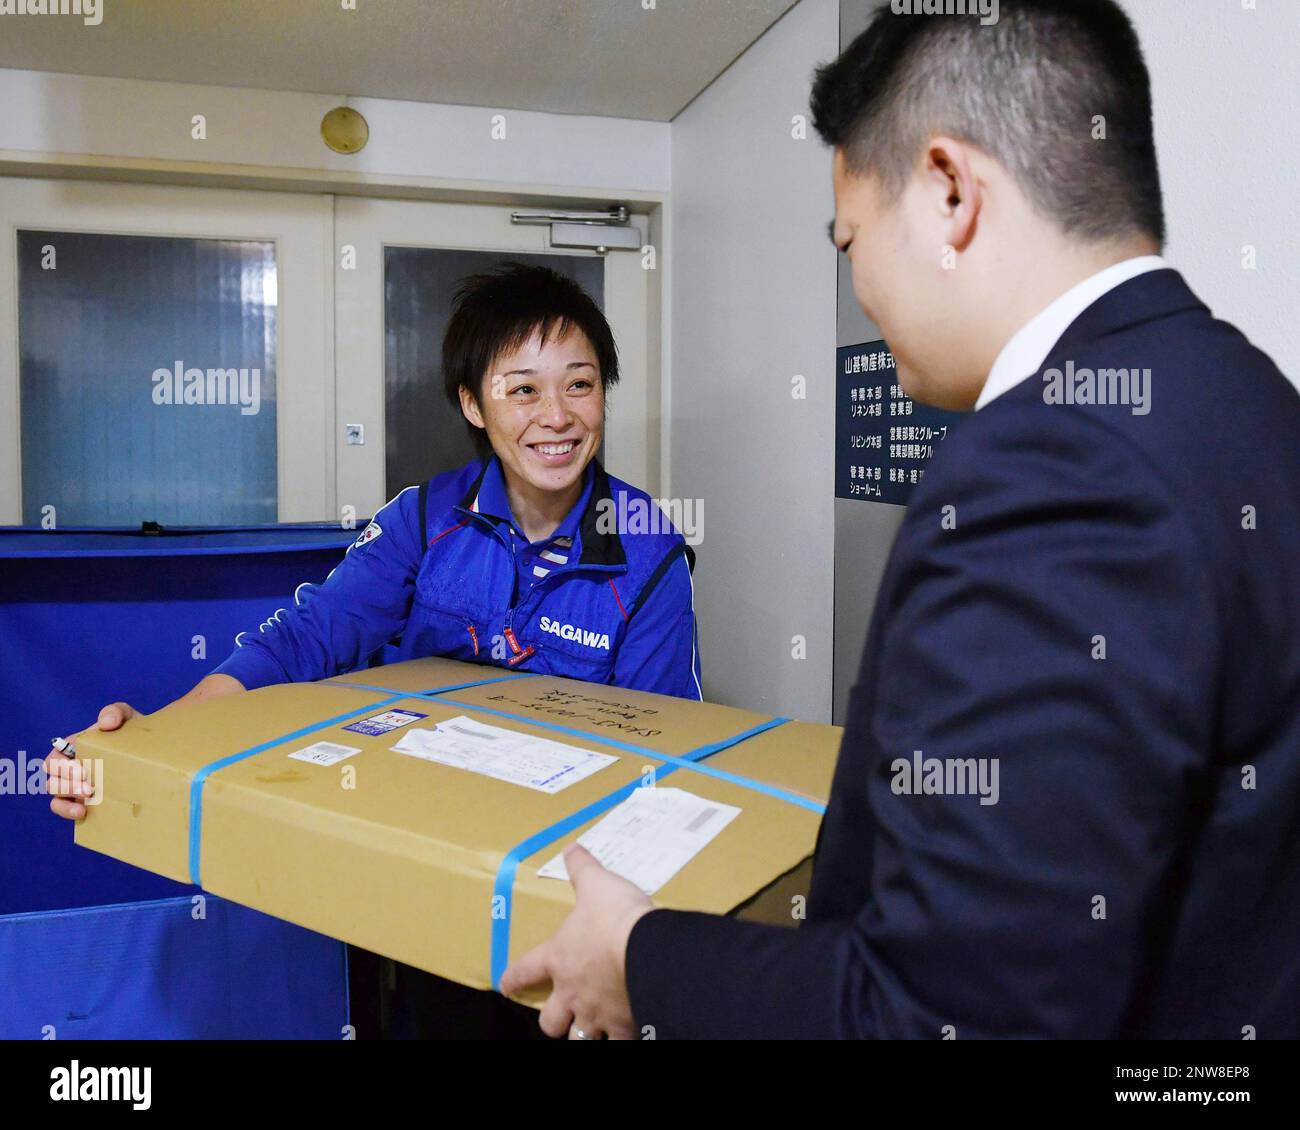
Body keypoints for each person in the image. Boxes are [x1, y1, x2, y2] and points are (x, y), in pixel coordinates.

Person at [502, 0, 1300, 1039]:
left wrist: (638, 956)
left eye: (850, 238)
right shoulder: (1250, 396)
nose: (861, 287)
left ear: (949, 189)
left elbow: (945, 1015)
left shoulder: (1053, 471)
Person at [47, 262, 702, 806]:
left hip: (560, 842)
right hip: (411, 815)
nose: (557, 416)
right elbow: (304, 641)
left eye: (580, 385)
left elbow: (662, 744)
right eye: (523, 390)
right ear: (473, 404)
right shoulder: (422, 521)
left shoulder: (647, 556)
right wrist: (148, 740)